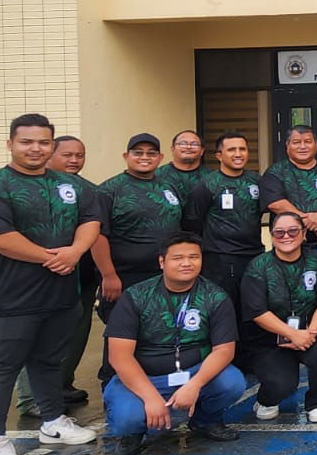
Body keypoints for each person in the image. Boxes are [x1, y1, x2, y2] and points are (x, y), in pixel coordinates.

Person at [0, 114, 103, 455]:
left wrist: (74, 252)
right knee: (1, 367)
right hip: (9, 299)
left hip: (59, 295)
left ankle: (54, 423)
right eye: (27, 142)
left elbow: (91, 220)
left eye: (43, 142)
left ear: (52, 146)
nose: (35, 148)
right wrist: (51, 257)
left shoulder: (70, 185)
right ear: (10, 144)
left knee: (48, 361)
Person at [103, 231, 245, 455]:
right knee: (126, 419)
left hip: (192, 372)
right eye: (178, 258)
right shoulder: (136, 296)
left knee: (232, 382)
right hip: (146, 377)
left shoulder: (215, 297)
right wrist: (150, 397)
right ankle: (134, 433)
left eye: (194, 257)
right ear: (162, 262)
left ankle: (204, 421)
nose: (187, 263)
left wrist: (195, 385)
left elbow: (224, 350)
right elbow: (120, 357)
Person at [14, 135, 100, 418]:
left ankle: (61, 385)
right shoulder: (30, 188)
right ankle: (31, 399)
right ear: (51, 154)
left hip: (81, 277)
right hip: (42, 277)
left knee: (73, 336)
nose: (74, 160)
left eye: (80, 154)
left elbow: (96, 230)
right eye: (67, 155)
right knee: (37, 339)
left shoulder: (87, 189)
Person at [242, 212, 317, 423]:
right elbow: (258, 312)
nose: (286, 236)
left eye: (293, 231)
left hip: (309, 329)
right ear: (271, 236)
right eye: (279, 233)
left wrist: (310, 333)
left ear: (304, 234)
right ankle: (266, 399)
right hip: (270, 337)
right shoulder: (258, 266)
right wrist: (291, 334)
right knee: (282, 385)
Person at [94, 133, 184, 339]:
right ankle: (113, 372)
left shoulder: (168, 186)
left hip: (163, 273)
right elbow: (98, 235)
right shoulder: (109, 190)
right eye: (138, 153)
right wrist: (108, 275)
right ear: (126, 156)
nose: (145, 157)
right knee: (123, 331)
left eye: (151, 153)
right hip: (125, 276)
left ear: (160, 158)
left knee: (161, 328)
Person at [182, 131, 264, 350]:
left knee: (253, 306)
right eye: (232, 149)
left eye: (242, 149)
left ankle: (252, 355)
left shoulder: (256, 181)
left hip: (253, 255)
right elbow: (192, 223)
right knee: (226, 308)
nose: (238, 154)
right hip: (220, 259)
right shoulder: (206, 185)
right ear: (219, 155)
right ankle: (227, 356)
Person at [262, 124, 317, 279]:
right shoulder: (275, 172)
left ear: (316, 145)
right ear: (287, 146)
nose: (302, 146)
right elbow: (276, 203)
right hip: (287, 247)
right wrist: (308, 221)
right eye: (296, 142)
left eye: (307, 141)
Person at [155, 130, 211, 199]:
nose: (188, 147)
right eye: (183, 143)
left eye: (194, 144)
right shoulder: (157, 175)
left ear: (202, 151)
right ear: (172, 149)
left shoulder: (211, 178)